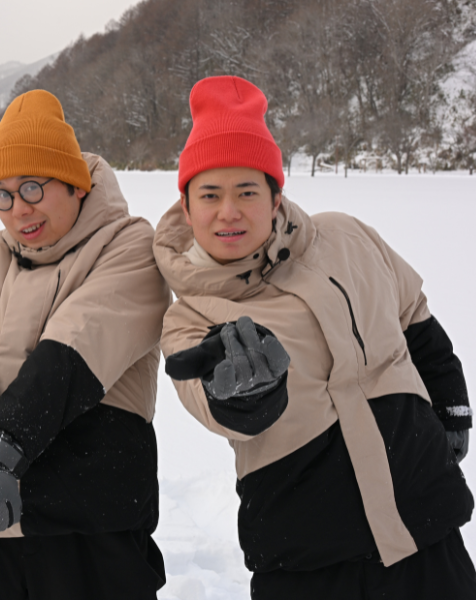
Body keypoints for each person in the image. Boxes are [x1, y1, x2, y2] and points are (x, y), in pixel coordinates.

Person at [154, 76, 475, 599]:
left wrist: (451, 400)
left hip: (427, 529)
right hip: (306, 559)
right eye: (209, 194)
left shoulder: (345, 236)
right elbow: (214, 406)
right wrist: (247, 398)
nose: (228, 211)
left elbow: (413, 313)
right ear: (187, 208)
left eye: (247, 192)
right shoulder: (189, 317)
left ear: (276, 197)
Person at [0, 90, 171, 600]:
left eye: (34, 187)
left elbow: (68, 359)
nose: (19, 209)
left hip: (87, 527)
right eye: (4, 194)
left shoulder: (129, 247)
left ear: (76, 185)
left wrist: (0, 456)